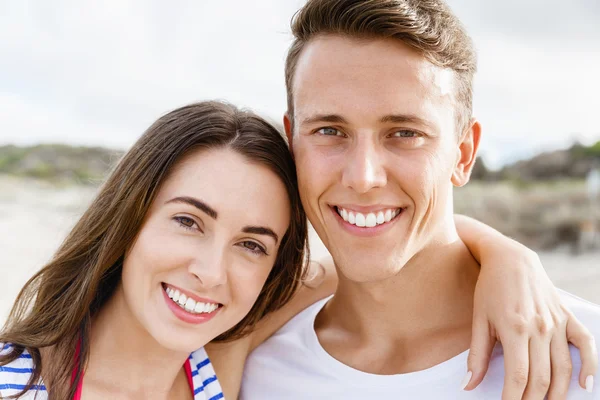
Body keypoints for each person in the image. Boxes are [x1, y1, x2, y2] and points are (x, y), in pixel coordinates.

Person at [0, 102, 595, 399]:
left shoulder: (220, 360)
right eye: (187, 220)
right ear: (128, 219)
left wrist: (507, 257)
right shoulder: (16, 378)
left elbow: (376, 255)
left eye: (252, 245)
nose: (210, 272)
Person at [238, 0, 600, 399]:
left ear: (463, 153)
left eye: (405, 133)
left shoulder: (583, 360)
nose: (363, 177)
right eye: (329, 130)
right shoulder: (250, 364)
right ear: (292, 143)